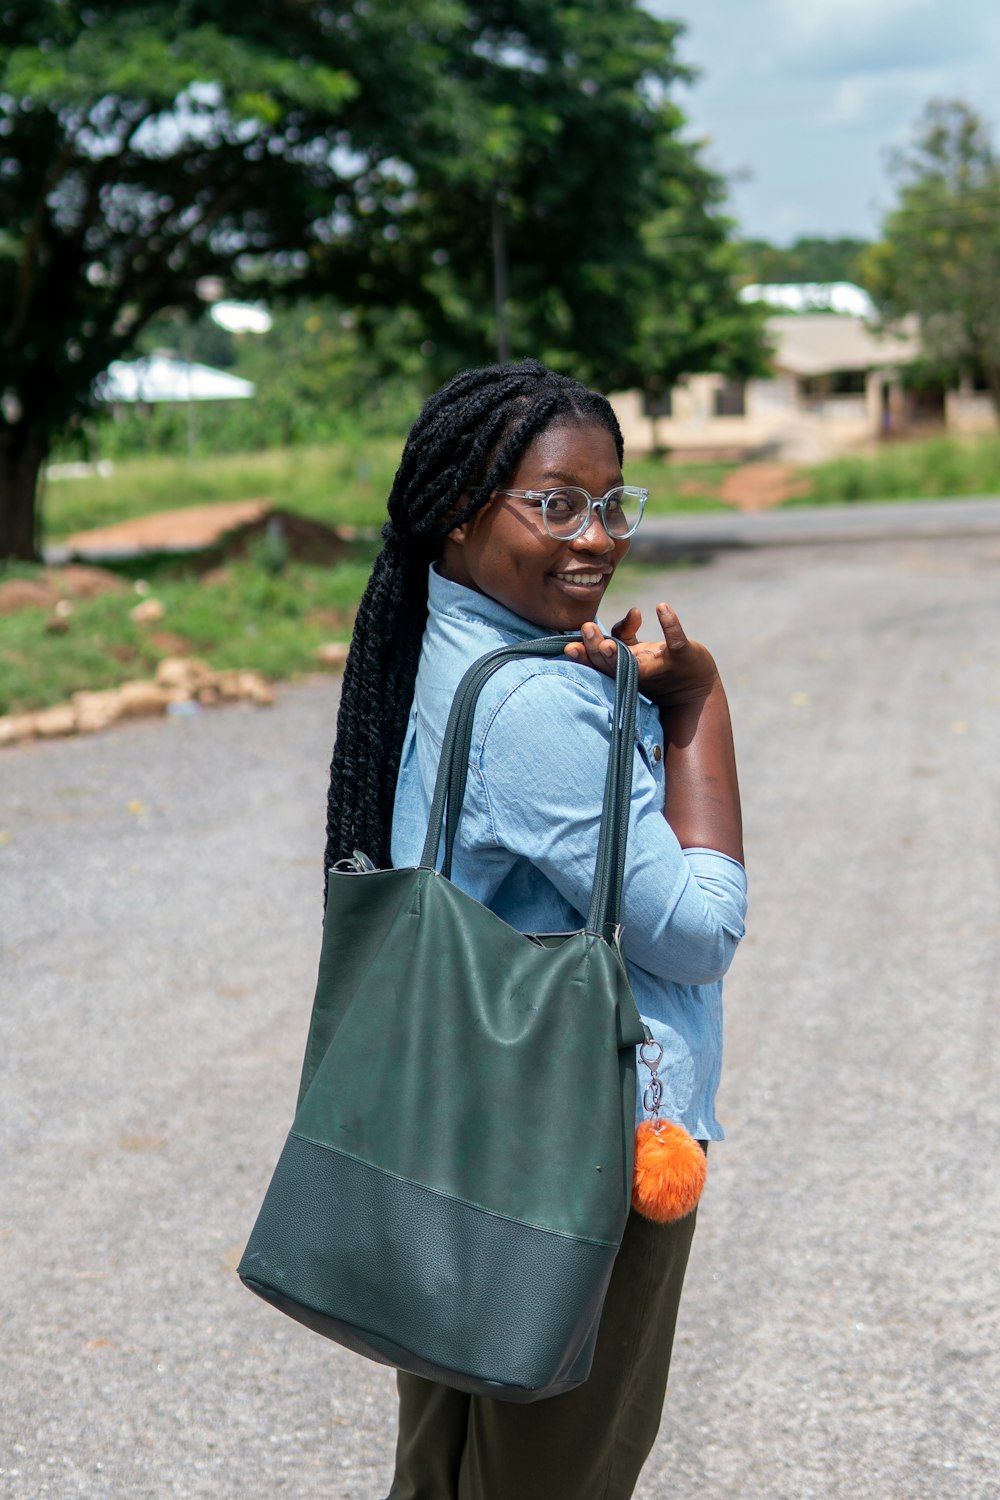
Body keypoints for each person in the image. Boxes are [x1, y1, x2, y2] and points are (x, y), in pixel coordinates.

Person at [324, 359, 746, 1500]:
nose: (597, 537)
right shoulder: (534, 702)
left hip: (468, 1140)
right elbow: (697, 931)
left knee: (448, 1466)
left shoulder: (437, 646)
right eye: (556, 503)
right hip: (582, 1160)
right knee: (553, 1477)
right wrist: (696, 710)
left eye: (612, 504)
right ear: (458, 513)